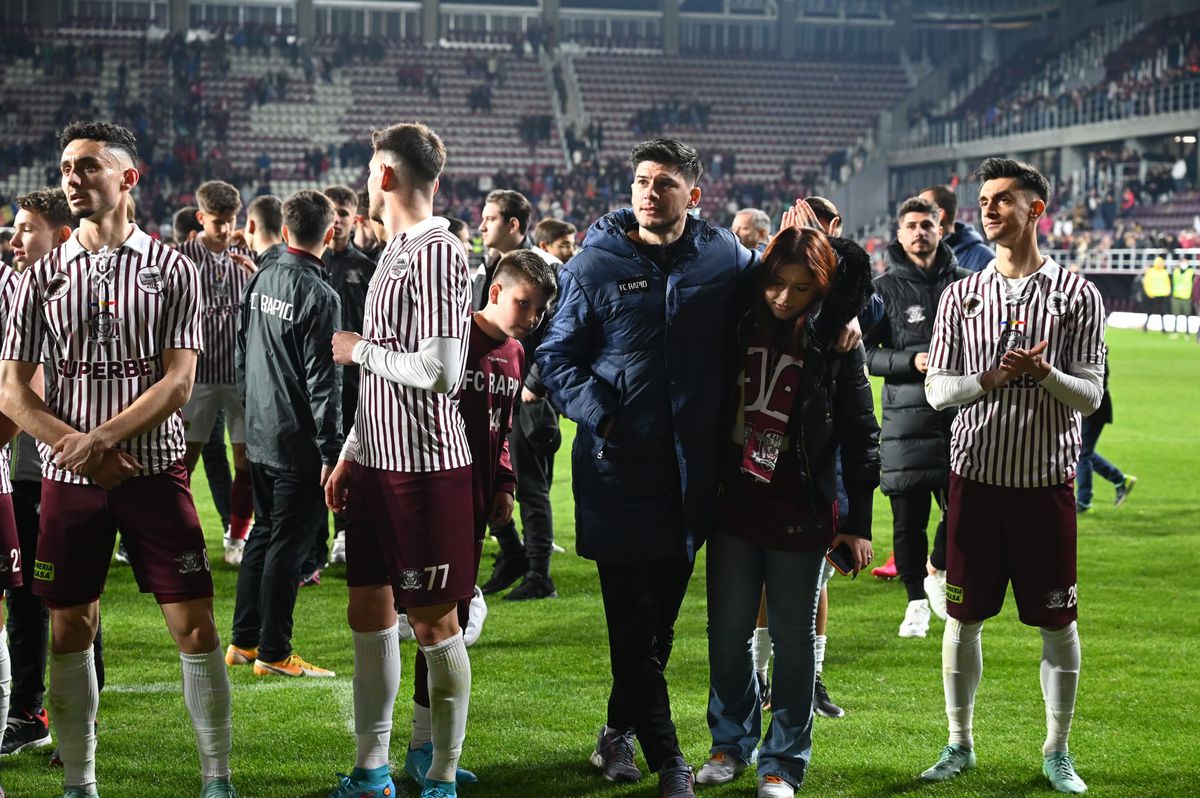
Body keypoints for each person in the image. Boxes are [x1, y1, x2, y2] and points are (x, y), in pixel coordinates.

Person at [0, 121, 237, 797]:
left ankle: (216, 779)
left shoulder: (173, 269)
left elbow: (179, 382)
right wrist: (75, 449)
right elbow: (12, 390)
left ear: (128, 179)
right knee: (69, 626)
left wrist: (99, 442)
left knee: (194, 627)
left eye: (88, 167)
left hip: (154, 474)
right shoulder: (36, 278)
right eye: (67, 167)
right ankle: (81, 781)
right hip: (69, 480)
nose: (73, 178)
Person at [537, 138, 759, 798]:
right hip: (617, 474)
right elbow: (555, 358)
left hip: (693, 480)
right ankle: (671, 763)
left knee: (656, 630)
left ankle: (614, 737)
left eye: (663, 182)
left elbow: (778, 303)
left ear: (694, 194)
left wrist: (849, 320)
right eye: (640, 180)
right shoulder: (596, 261)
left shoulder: (726, 258)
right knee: (632, 627)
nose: (648, 191)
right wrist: (605, 413)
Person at [921, 158, 1105, 795]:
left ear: (1037, 209)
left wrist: (1044, 374)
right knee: (961, 618)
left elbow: (1090, 396)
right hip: (974, 480)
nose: (989, 209)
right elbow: (938, 390)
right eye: (984, 199)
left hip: (1045, 485)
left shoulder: (1078, 294)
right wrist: (992, 379)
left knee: (1058, 623)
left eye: (1004, 199)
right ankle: (959, 742)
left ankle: (1058, 750)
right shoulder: (960, 294)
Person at [697, 214, 878, 798]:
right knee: (727, 634)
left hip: (801, 506)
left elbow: (859, 432)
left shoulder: (834, 339)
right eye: (778, 281)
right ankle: (729, 744)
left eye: (803, 287)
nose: (784, 297)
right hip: (734, 502)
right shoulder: (737, 319)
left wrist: (857, 522)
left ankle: (782, 762)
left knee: (795, 640)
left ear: (822, 287)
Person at [323, 122, 474, 798]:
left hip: (426, 469)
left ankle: (440, 773)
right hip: (378, 465)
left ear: (384, 175)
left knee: (434, 623)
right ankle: (372, 768)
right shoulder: (395, 250)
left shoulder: (439, 252)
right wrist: (353, 451)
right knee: (369, 612)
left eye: (369, 168)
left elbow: (444, 372)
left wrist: (359, 352)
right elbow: (383, 371)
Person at [402, 249, 556, 788]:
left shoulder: (514, 352)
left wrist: (506, 482)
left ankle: (424, 748)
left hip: (473, 506)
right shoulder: (450, 341)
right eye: (524, 303)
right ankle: (411, 751)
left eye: (538, 310)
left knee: (448, 626)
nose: (531, 317)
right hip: (432, 501)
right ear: (494, 291)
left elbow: (505, 424)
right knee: (434, 628)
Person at [225, 190, 343, 679]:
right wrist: (331, 450)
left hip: (260, 431)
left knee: (264, 534)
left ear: (287, 230)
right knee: (288, 545)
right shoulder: (321, 296)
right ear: (331, 234)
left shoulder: (262, 276)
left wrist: (253, 415)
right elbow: (323, 381)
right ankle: (274, 651)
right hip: (298, 442)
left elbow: (241, 351)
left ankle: (243, 641)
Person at [865, 196, 968, 636]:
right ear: (900, 233)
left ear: (940, 229)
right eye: (911, 226)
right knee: (908, 521)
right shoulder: (883, 290)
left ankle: (938, 572)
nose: (920, 232)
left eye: (927, 224)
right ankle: (914, 602)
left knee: (966, 509)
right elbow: (865, 354)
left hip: (962, 413)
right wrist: (911, 362)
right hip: (906, 419)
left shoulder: (967, 284)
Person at [475, 190, 559, 600]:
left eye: (490, 218)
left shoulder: (543, 274)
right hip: (492, 392)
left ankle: (539, 573)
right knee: (491, 479)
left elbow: (559, 338)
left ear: (513, 225)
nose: (481, 225)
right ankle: (512, 553)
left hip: (525, 398)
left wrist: (534, 383)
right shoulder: (488, 270)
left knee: (530, 487)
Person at [177, 180, 255, 566]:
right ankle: (177, 536)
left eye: (230, 221)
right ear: (200, 217)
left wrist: (256, 269)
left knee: (246, 462)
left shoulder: (247, 254)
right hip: (199, 376)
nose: (224, 229)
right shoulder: (182, 256)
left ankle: (236, 538)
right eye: (217, 221)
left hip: (240, 376)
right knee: (183, 460)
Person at [319, 185, 377, 570]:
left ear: (354, 217)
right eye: (331, 212)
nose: (337, 219)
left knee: (352, 459)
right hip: (316, 381)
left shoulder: (367, 269)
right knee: (316, 459)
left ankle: (346, 532)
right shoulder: (310, 263)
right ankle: (314, 542)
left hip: (357, 383)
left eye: (343, 212)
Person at [1075, 360, 1136, 513]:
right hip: (1088, 407)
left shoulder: (1094, 354)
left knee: (1082, 453)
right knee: (1081, 451)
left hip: (1095, 409)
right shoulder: (1089, 352)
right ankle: (1120, 479)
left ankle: (1084, 501)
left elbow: (1097, 382)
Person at [920, 185, 994, 273]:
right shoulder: (915, 256)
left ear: (939, 215)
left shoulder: (983, 258)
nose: (913, 213)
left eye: (921, 208)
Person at [1141, 256, 1172, 333]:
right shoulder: (1151, 272)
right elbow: (1147, 283)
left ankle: (1163, 328)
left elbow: (1167, 283)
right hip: (1153, 294)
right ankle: (1146, 326)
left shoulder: (1164, 272)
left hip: (1162, 294)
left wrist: (1167, 292)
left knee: (1162, 311)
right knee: (1150, 311)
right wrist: (1149, 292)